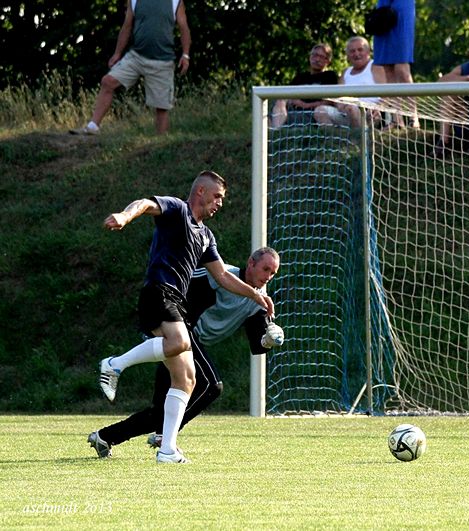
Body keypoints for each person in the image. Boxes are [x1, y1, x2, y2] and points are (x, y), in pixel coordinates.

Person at [98, 170, 273, 464]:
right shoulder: (178, 210)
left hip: (176, 300)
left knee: (188, 379)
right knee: (179, 342)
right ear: (201, 192)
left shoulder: (206, 236)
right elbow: (144, 203)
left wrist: (255, 295)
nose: (220, 203)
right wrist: (126, 216)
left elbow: (223, 277)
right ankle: (114, 365)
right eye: (217, 196)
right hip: (159, 291)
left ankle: (167, 450)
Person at [87, 247, 281, 459]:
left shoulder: (260, 302)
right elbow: (178, 287)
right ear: (251, 263)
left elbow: (258, 343)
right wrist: (162, 328)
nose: (268, 277)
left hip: (188, 343)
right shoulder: (220, 274)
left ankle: (105, 437)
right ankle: (164, 436)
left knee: (162, 411)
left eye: (273, 273)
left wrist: (269, 339)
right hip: (182, 334)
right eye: (265, 269)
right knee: (210, 385)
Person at [70, 0, 191, 136]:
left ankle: (160, 143)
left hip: (162, 61)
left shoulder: (175, 1)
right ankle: (92, 127)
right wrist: (117, 53)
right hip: (136, 56)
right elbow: (127, 26)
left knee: (161, 106)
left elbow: (183, 27)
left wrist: (185, 55)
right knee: (108, 81)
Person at [315, 36, 386, 128]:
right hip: (346, 111)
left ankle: (358, 140)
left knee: (352, 108)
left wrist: (378, 108)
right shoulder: (345, 72)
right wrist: (341, 106)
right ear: (347, 55)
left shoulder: (375, 67)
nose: (356, 54)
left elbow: (386, 95)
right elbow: (338, 97)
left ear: (368, 52)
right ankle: (333, 140)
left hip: (371, 113)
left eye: (360, 50)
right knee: (320, 111)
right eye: (352, 51)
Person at [372, 0, 419, 128]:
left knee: (402, 67)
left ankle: (413, 117)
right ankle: (396, 119)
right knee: (387, 67)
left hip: (403, 4)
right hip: (383, 4)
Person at [270, 43, 339, 129]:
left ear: (328, 61)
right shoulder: (300, 77)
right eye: (315, 55)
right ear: (310, 57)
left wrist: (307, 106)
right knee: (279, 102)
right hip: (294, 112)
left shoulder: (330, 76)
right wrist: (297, 102)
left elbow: (331, 101)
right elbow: (287, 94)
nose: (317, 59)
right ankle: (276, 133)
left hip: (315, 115)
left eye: (321, 57)